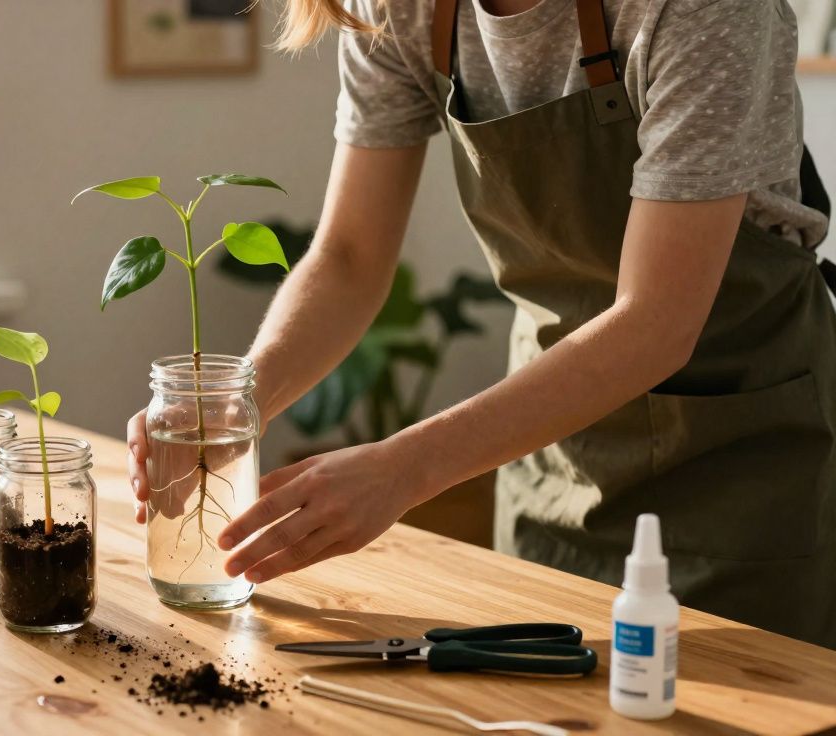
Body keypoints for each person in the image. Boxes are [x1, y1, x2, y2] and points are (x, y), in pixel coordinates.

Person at [125, 0, 836, 648]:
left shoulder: (702, 10)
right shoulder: (399, 11)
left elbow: (656, 320)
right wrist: (234, 403)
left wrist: (403, 469)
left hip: (742, 463)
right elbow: (348, 257)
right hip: (551, 446)